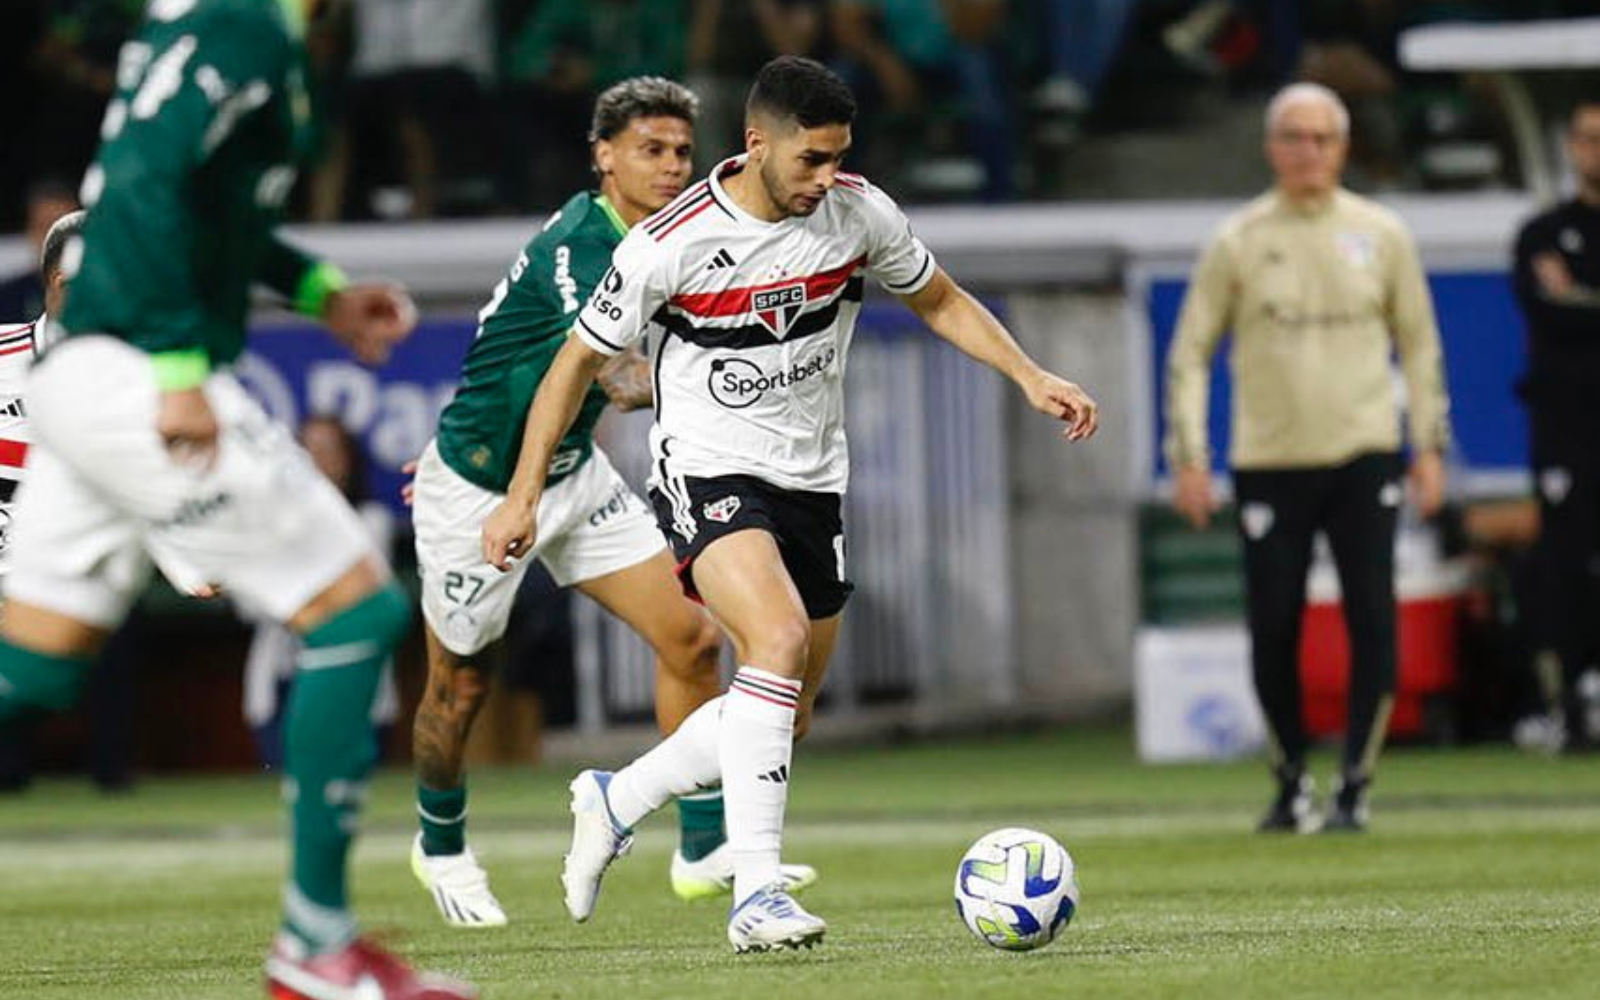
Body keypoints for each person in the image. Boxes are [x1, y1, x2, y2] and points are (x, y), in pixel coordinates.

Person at [499, 55, 1098, 951]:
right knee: (771, 641)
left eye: (838, 157)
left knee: (784, 711)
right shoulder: (670, 242)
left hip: (814, 481)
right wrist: (522, 494)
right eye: (811, 159)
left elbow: (938, 300)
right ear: (756, 144)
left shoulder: (859, 211)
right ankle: (757, 893)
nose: (828, 177)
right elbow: (572, 366)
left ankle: (617, 798)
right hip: (707, 470)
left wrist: (1030, 374)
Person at [0, 2, 475, 998]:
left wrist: (317, 292)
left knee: (33, 667)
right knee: (359, 611)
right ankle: (315, 944)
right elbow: (144, 190)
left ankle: (316, 948)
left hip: (92, 365)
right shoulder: (245, 31)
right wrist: (177, 365)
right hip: (137, 363)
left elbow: (208, 212)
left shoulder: (207, 34)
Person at [407, 74, 815, 930]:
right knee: (461, 689)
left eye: (679, 150)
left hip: (569, 475)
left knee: (693, 635)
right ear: (603, 157)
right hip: (481, 488)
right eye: (649, 150)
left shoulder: (666, 232)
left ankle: (702, 847)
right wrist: (726, 385)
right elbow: (613, 373)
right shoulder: (582, 248)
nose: (672, 166)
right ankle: (439, 846)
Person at [1164, 82, 1452, 834]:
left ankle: (1356, 781)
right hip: (1271, 459)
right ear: (1271, 146)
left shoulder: (1382, 234)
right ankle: (1291, 776)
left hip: (1364, 452)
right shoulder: (1240, 239)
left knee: (1372, 618)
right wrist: (1189, 455)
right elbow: (1190, 353)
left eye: (1323, 137)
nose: (1309, 151)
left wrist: (1429, 443)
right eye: (1295, 136)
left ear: (1344, 147)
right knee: (1274, 624)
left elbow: (1419, 343)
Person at [1509, 97, 1600, 754]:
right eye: (1587, 138)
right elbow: (1552, 316)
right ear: (1570, 146)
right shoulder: (1541, 233)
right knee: (1565, 563)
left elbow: (1572, 309)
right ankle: (1570, 703)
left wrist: (1579, 298)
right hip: (1567, 425)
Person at [244, 415, 400, 768]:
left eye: (329, 450)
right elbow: (253, 603)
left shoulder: (371, 520)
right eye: (309, 451)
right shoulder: (268, 520)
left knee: (351, 779)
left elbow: (362, 600)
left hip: (354, 674)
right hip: (284, 675)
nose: (319, 461)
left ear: (349, 458)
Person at [0, 180, 79, 322]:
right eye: (45, 227)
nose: (54, 239)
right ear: (30, 233)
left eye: (66, 231)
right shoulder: (6, 298)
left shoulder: (105, 298)